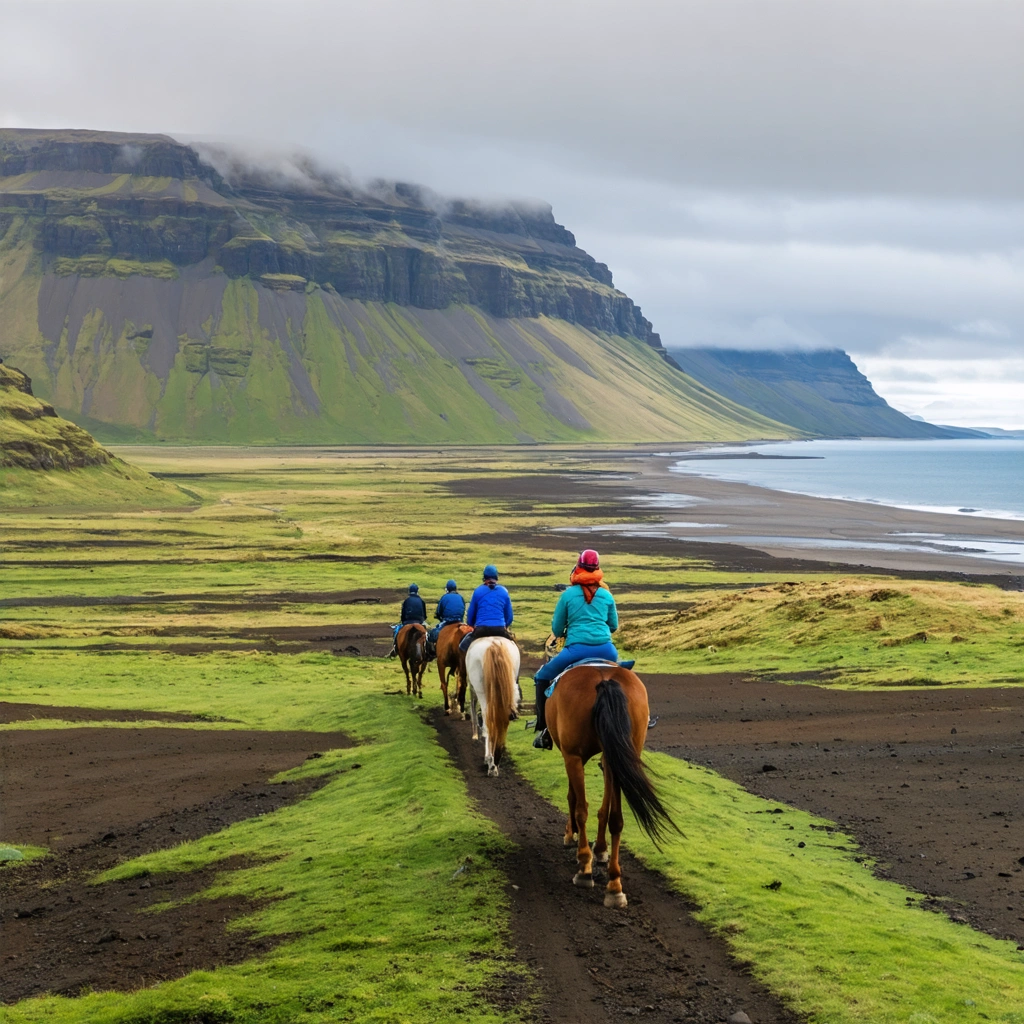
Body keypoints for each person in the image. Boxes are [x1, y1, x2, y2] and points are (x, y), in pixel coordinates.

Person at [532, 549, 619, 749]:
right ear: (597, 568)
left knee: (542, 676)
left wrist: (566, 630)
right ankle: (642, 716)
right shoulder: (606, 594)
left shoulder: (568, 595)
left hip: (576, 651)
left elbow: (556, 629)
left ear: (578, 567)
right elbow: (613, 625)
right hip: (607, 651)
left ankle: (544, 730)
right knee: (624, 677)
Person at [458, 565, 514, 653]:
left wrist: (472, 624)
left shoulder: (477, 591)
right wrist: (505, 625)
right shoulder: (504, 591)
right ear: (496, 577)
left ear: (484, 578)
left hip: (481, 630)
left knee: (462, 647)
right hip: (499, 629)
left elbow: (470, 616)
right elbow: (509, 617)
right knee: (514, 646)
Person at [389, 584, 427, 656]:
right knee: (427, 635)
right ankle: (428, 649)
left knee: (397, 631)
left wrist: (403, 621)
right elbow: (424, 615)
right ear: (417, 591)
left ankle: (395, 647)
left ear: (409, 591)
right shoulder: (421, 601)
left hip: (407, 621)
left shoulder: (406, 601)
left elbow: (403, 613)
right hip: (419, 621)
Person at [428, 579, 466, 648]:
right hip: (459, 620)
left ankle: (434, 651)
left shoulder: (444, 597)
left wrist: (439, 616)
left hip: (447, 621)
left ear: (447, 589)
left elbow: (439, 612)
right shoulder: (460, 597)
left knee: (433, 634)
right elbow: (463, 609)